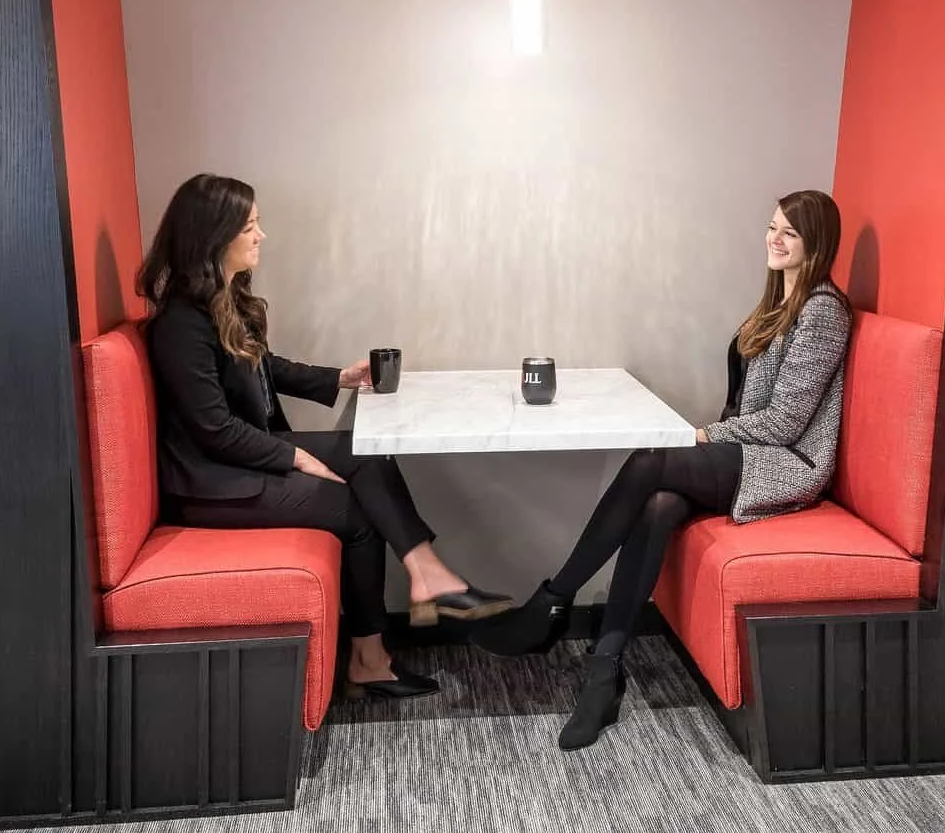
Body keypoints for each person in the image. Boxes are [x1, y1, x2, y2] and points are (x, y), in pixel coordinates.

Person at [476, 190, 853, 750]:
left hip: (784, 463)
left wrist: (704, 437)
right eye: (772, 227)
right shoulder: (779, 299)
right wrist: (712, 439)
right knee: (658, 504)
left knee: (651, 461)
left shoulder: (822, 309)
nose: (774, 239)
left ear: (815, 243)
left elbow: (788, 423)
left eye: (790, 234)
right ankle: (605, 671)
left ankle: (550, 604)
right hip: (747, 453)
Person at [142, 173, 510, 699]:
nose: (261, 236)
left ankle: (417, 591)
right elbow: (212, 430)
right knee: (356, 507)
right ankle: (383, 640)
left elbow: (264, 369)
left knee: (370, 457)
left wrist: (338, 377)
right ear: (212, 237)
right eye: (250, 226)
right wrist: (292, 456)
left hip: (237, 463)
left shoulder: (222, 303)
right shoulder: (181, 325)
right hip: (210, 485)